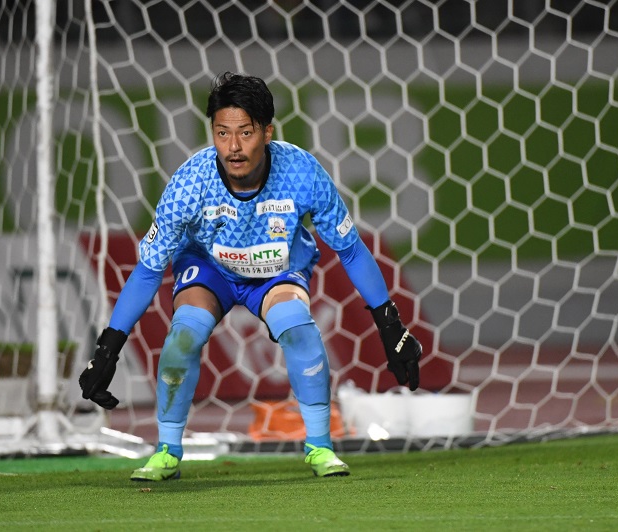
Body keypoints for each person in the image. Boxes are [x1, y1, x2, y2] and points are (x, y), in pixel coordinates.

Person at [79, 72, 422, 480]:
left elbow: (350, 250)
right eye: (222, 133)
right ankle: (167, 450)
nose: (233, 147)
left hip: (277, 270)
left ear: (267, 132)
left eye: (245, 132)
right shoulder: (189, 184)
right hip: (210, 269)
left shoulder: (302, 173)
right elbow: (147, 272)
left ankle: (320, 447)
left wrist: (390, 324)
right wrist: (107, 349)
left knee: (298, 328)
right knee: (183, 336)